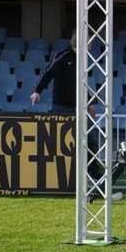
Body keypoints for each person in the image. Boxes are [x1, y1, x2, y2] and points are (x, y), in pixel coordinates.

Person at [30, 31, 101, 181]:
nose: (90, 46)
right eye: (88, 43)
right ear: (79, 42)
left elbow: (81, 85)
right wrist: (37, 91)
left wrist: (89, 102)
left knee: (91, 140)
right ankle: (55, 174)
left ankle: (94, 174)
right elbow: (48, 73)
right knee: (59, 142)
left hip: (79, 108)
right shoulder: (63, 56)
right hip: (62, 107)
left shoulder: (83, 61)